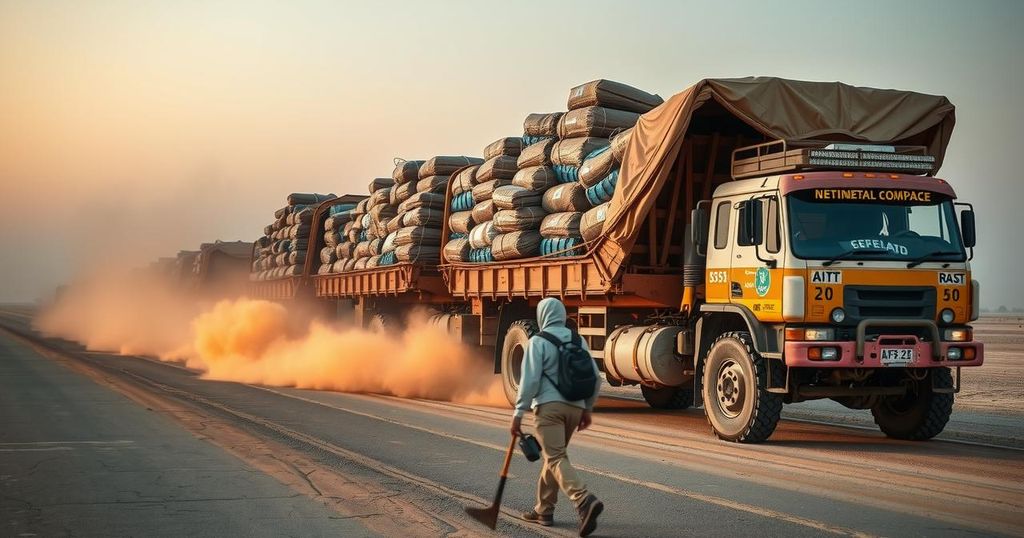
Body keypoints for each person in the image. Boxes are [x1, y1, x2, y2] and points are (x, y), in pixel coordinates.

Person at [510, 297, 603, 536]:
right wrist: (587, 409)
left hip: (548, 409)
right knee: (554, 457)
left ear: (542, 316)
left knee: (555, 456)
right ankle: (544, 510)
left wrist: (518, 413)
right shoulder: (577, 339)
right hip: (575, 408)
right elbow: (595, 378)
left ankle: (583, 500)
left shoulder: (538, 341)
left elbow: (529, 381)